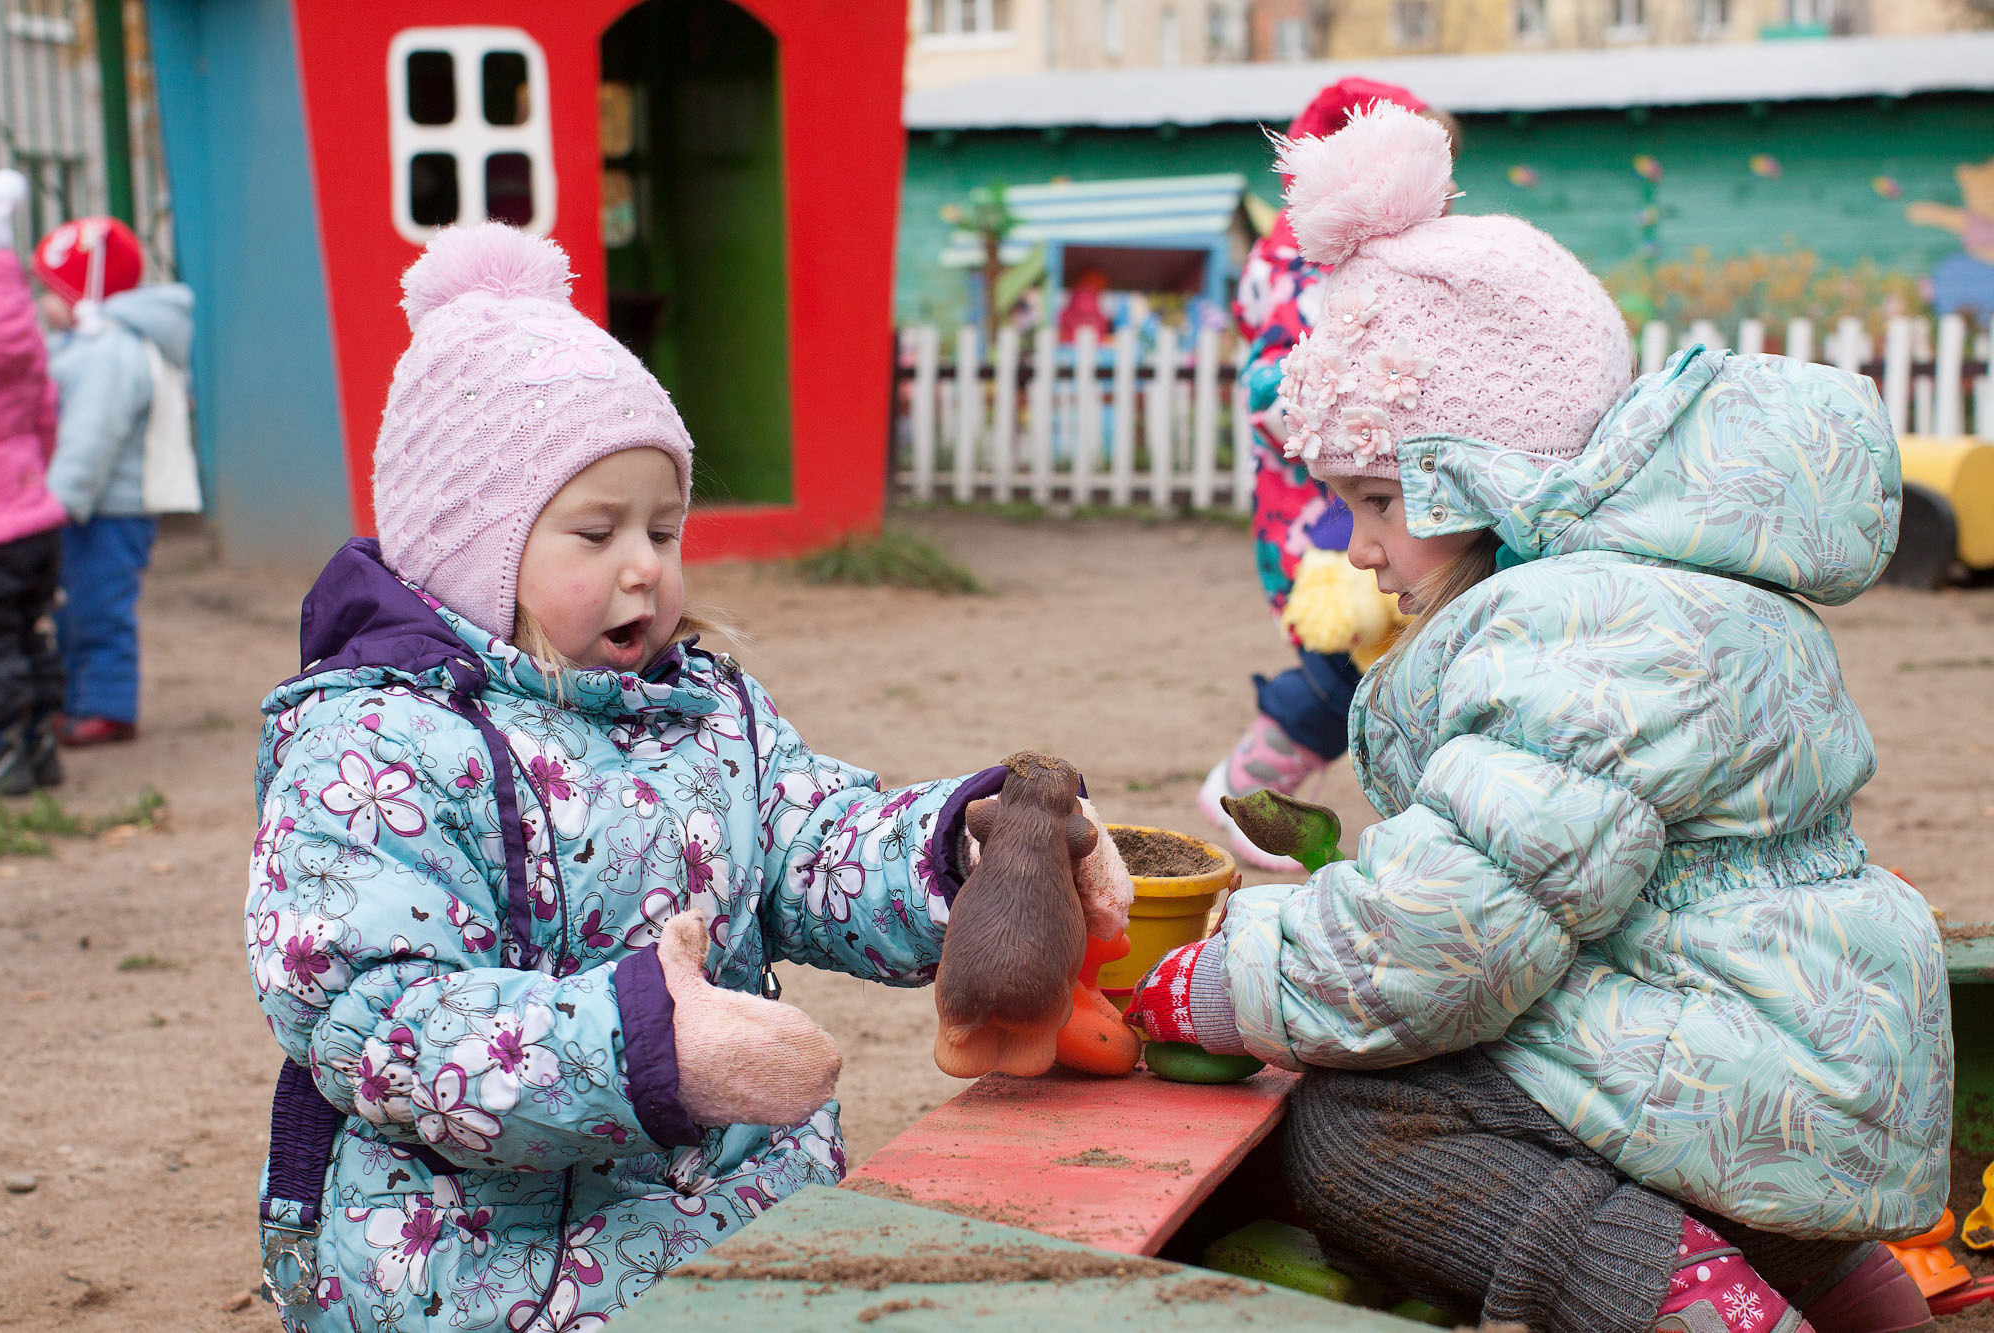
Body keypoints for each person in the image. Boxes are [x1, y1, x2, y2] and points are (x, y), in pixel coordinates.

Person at [1127, 104, 1949, 1333]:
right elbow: (1508, 876)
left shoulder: (1573, 632)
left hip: (1743, 1061)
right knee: (1636, 1128)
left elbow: (1448, 936)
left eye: (1374, 500)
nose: (1357, 548)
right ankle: (1857, 1305)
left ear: (1481, 477)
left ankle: (1696, 1311)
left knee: (1361, 1132)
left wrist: (1228, 978)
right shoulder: (1668, 587)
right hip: (1786, 1044)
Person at [245, 223, 1132, 1332]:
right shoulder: (378, 749)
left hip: (744, 1233)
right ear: (468, 548)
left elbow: (813, 840)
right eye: (594, 530)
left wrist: (964, 847)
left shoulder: (706, 710)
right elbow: (379, 1019)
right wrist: (646, 1053)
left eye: (664, 528)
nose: (644, 566)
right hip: (486, 1279)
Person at [1199, 76, 1448, 873]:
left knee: (1406, 652)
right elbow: (1270, 391)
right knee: (1358, 648)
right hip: (1324, 519)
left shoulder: (1343, 257)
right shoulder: (1305, 266)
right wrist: (1372, 405)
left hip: (1359, 504)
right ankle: (1250, 777)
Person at [32, 214, 196, 747]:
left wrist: (57, 503)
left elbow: (90, 439)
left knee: (98, 607)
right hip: (90, 505)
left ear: (88, 291)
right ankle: (78, 702)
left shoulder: (108, 352)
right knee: (74, 607)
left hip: (107, 508)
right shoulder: (87, 343)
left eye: (53, 290)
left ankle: (106, 707)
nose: (42, 302)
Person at [0, 169, 65, 793]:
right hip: (36, 517)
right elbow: (46, 417)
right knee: (31, 631)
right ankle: (41, 743)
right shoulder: (29, 339)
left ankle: (4, 752)